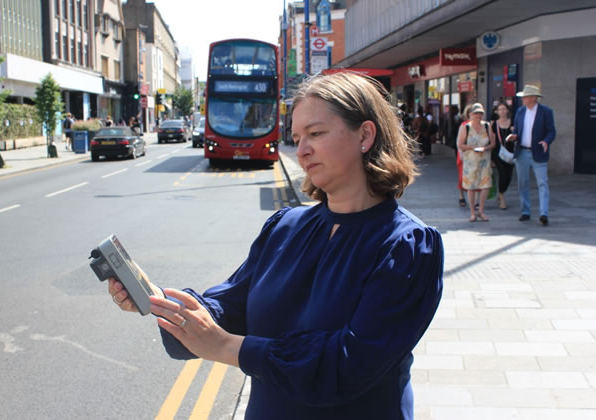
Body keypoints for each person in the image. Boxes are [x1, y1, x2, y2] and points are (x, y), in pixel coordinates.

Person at [107, 72, 444, 420]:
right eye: (296, 137)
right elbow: (228, 306)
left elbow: (345, 366)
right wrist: (158, 301)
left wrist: (226, 347)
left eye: (315, 134)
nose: (301, 150)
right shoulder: (284, 227)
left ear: (365, 135)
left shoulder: (407, 247)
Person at [506, 85, 556, 226]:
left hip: (538, 152)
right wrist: (514, 136)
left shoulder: (546, 112)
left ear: (533, 98)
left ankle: (543, 213)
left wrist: (546, 141)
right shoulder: (520, 112)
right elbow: (517, 130)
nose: (522, 99)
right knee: (523, 183)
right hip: (522, 152)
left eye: (525, 97)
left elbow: (552, 131)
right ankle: (525, 211)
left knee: (542, 183)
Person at [457, 103, 495, 222]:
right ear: (471, 115)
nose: (478, 115)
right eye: (476, 113)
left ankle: (481, 211)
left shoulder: (487, 126)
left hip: (484, 160)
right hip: (470, 161)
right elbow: (460, 144)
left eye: (480, 113)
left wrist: (486, 148)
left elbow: (493, 143)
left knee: (485, 186)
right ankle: (473, 212)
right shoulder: (466, 127)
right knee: (471, 187)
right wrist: (472, 147)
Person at [490, 102, 514, 209]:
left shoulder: (512, 123)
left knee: (509, 176)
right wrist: (491, 158)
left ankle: (502, 193)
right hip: (498, 153)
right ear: (497, 112)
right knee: (502, 173)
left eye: (504, 109)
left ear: (508, 110)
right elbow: (491, 141)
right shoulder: (494, 124)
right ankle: (501, 196)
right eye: (500, 109)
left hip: (510, 153)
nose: (502, 111)